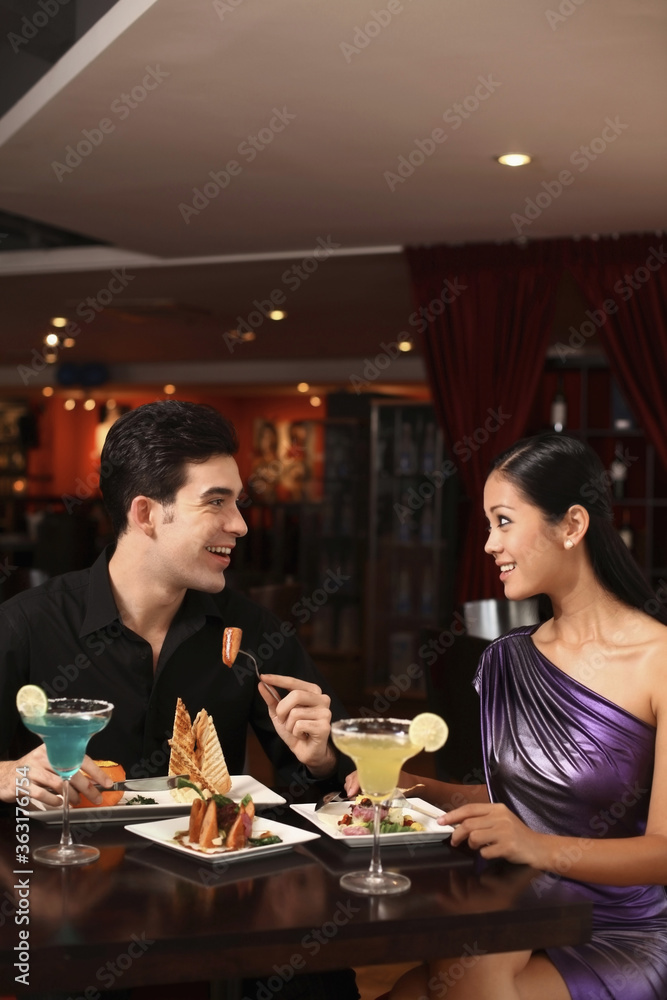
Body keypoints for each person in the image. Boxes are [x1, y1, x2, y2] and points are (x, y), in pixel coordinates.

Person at [0, 399, 359, 999]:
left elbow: (324, 792)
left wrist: (323, 755)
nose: (240, 524)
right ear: (146, 513)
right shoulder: (26, 627)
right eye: (216, 502)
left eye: (237, 502)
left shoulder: (252, 634)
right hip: (66, 912)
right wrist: (9, 773)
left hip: (215, 907)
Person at [359, 433, 667, 1000]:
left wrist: (535, 846)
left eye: (503, 521)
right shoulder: (505, 657)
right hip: (521, 899)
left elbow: (664, 850)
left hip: (622, 928)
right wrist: (406, 786)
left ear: (572, 526)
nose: (488, 545)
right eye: (488, 524)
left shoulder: (660, 661)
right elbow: (517, 803)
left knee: (450, 974)